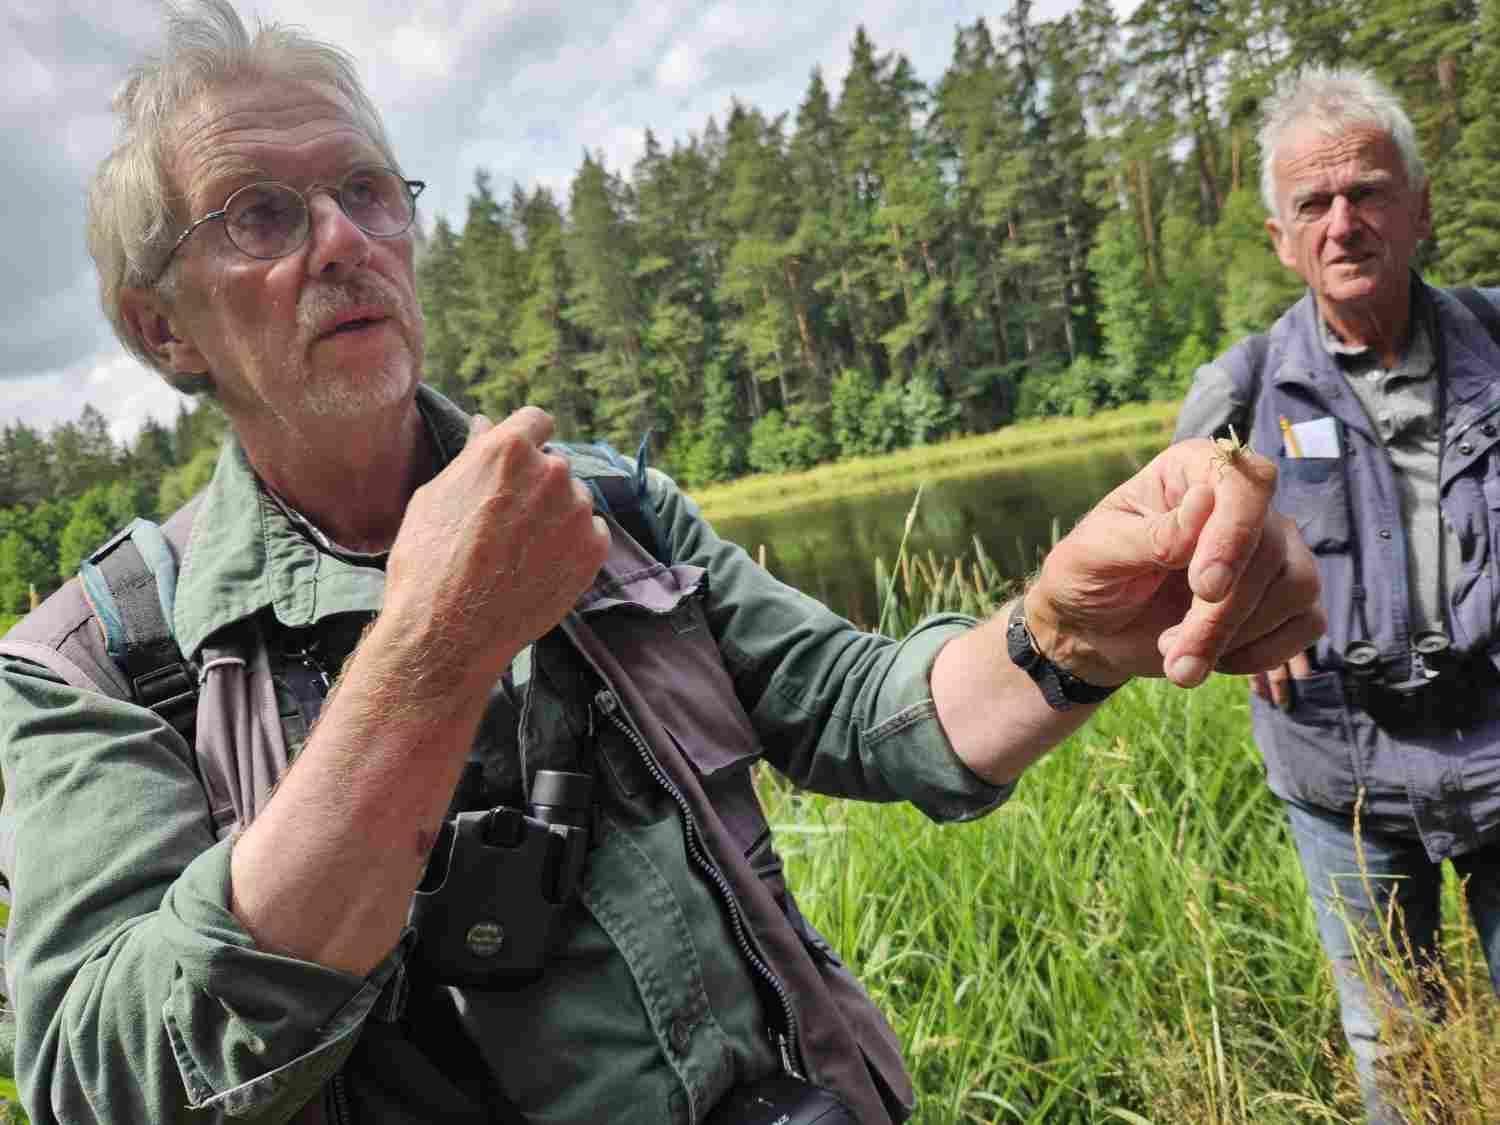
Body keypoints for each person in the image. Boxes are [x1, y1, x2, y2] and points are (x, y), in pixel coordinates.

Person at [0, 3, 1320, 1123]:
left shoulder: (607, 507)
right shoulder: (103, 663)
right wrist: (431, 655)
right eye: (260, 213)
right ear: (158, 326)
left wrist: (1068, 631)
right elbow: (103, 1072)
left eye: (366, 190)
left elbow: (861, 712)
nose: (341, 240)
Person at [1174, 65, 1500, 1124]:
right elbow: (1171, 573)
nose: (1343, 221)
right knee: (1400, 1065)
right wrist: (1235, 616)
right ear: (1280, 237)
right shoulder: (1241, 393)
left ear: (1420, 209)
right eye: (1313, 203)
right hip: (1342, 777)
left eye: (1367, 191)